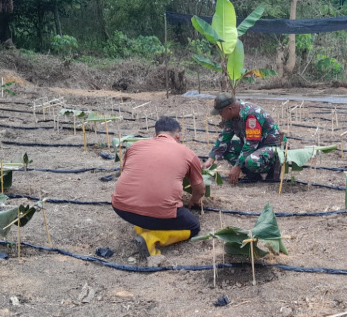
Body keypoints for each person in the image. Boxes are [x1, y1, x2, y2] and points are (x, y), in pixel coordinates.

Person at [112, 117, 204, 256]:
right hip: (158, 213)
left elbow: (128, 172)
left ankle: (144, 228)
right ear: (178, 135)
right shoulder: (187, 153)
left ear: (155, 134)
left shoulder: (135, 146)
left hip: (121, 208)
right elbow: (200, 190)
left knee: (146, 215)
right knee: (193, 226)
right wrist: (194, 200)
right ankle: (151, 239)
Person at [202, 93, 283, 184]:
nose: (220, 115)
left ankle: (271, 169)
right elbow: (224, 138)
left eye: (220, 112)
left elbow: (251, 144)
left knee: (252, 160)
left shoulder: (252, 115)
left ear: (230, 109)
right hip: (256, 146)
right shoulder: (232, 117)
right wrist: (211, 158)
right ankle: (252, 175)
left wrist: (237, 166)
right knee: (226, 148)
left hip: (271, 147)